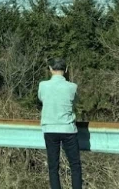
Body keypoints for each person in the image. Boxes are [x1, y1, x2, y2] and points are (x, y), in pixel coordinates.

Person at [38, 57, 83, 189]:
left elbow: (41, 98)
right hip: (68, 129)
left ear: (50, 69)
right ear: (66, 69)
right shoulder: (72, 87)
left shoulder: (43, 85)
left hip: (49, 128)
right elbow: (76, 101)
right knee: (75, 165)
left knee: (53, 166)